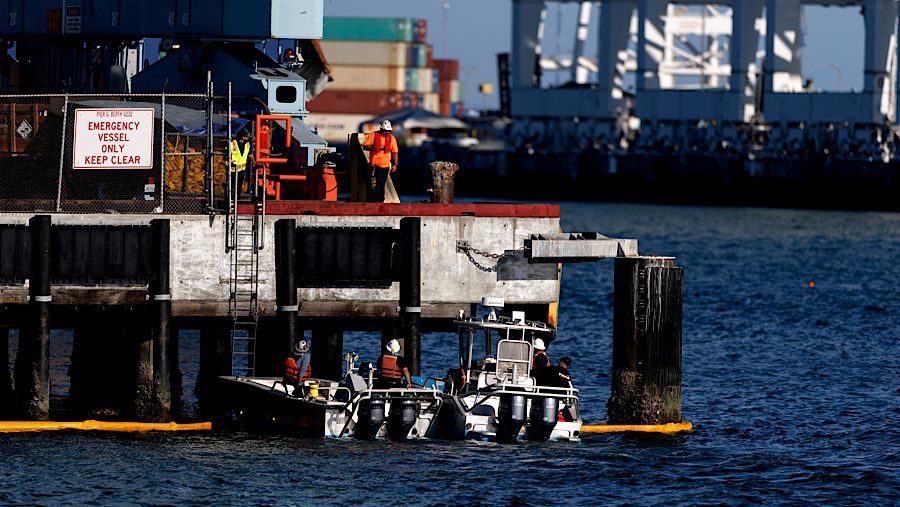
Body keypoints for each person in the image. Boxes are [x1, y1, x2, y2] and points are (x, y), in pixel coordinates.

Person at [362, 120, 398, 203]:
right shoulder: (373, 135)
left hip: (385, 166)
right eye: (384, 130)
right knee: (372, 185)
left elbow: (395, 152)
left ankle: (380, 201)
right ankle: (371, 201)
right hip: (374, 165)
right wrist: (374, 147)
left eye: (387, 131)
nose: (385, 132)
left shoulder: (392, 138)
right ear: (381, 129)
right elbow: (365, 146)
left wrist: (395, 164)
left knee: (381, 184)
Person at [230, 128, 254, 198]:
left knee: (239, 186)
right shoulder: (233, 144)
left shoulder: (247, 145)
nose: (248, 138)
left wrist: (254, 163)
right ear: (243, 137)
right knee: (231, 186)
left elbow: (250, 155)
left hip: (241, 170)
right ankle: (230, 200)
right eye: (247, 136)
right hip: (233, 169)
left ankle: (237, 199)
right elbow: (228, 156)